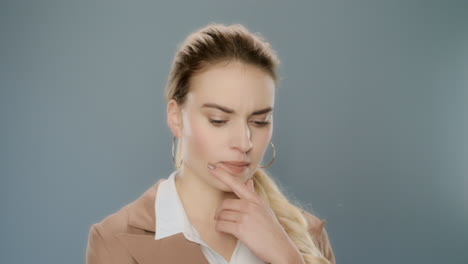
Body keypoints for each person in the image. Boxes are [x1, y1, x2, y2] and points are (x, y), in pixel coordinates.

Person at [86, 23, 336, 264]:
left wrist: (289, 259)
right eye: (219, 120)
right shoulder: (114, 240)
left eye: (259, 121)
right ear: (176, 117)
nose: (244, 142)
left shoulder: (307, 235)